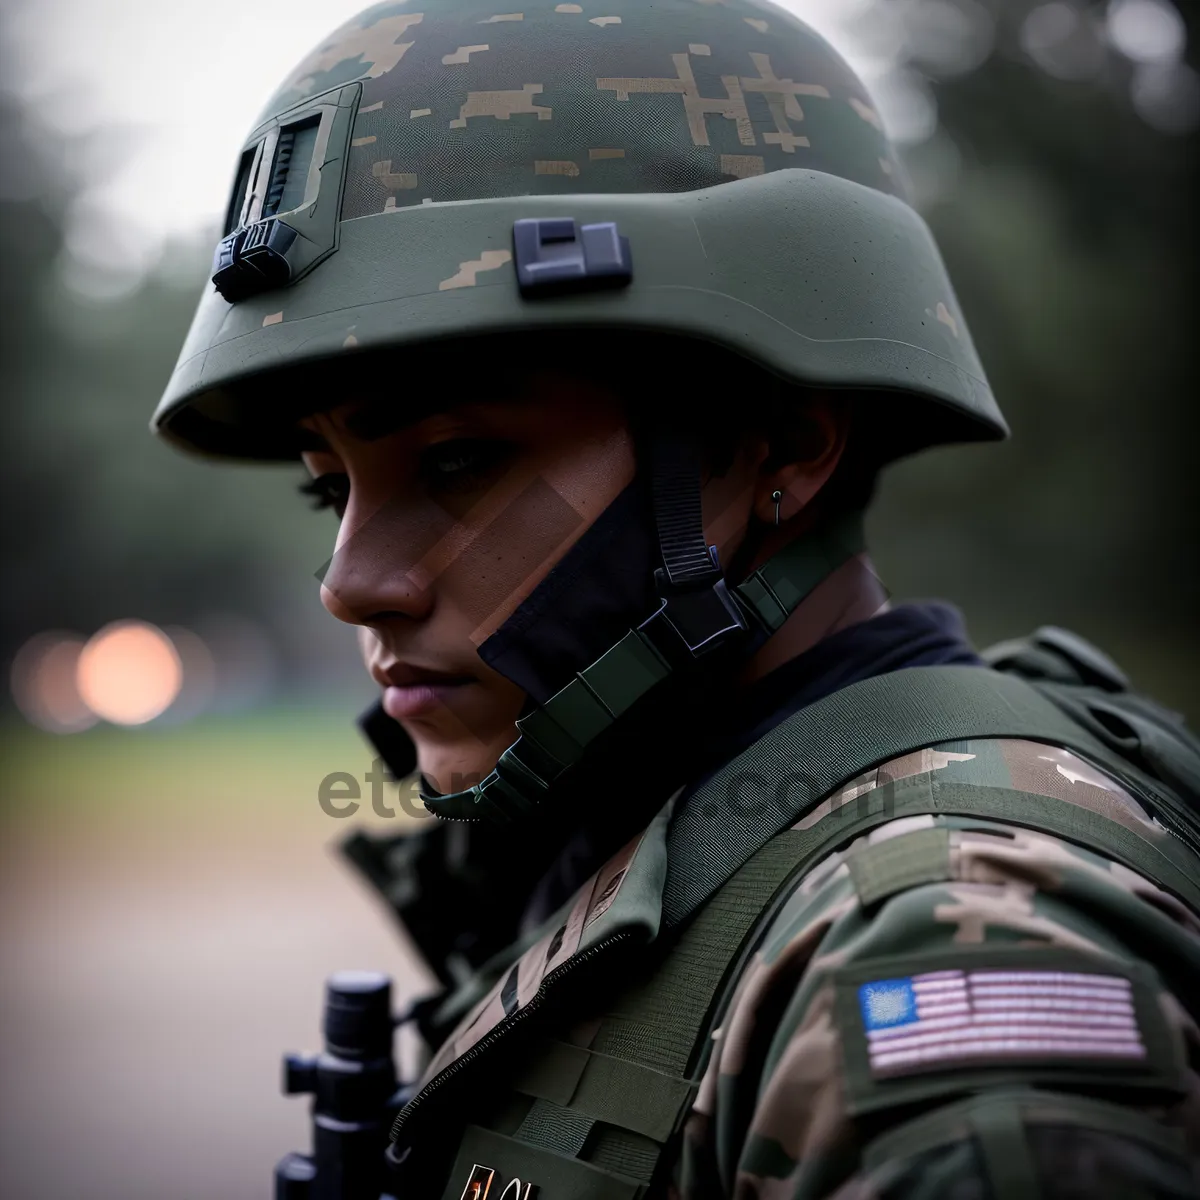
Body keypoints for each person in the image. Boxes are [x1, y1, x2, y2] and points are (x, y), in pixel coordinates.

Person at [152, 1, 1200, 1195]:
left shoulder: (944, 952)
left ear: (784, 447)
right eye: (327, 489)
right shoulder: (657, 840)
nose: (350, 585)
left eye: (457, 462)